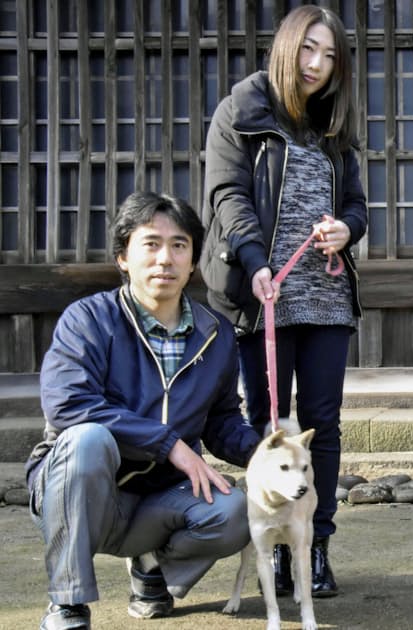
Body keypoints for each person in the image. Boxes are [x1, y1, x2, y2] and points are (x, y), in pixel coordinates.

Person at [27, 192, 262, 630]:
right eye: (151, 244)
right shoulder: (87, 319)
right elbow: (68, 405)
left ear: (192, 262)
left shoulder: (216, 333)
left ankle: (152, 568)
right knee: (87, 438)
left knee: (234, 510)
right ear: (123, 256)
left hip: (158, 498)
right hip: (81, 491)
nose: (165, 259)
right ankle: (67, 603)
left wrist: (263, 452)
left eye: (179, 245)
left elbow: (222, 420)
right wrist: (168, 443)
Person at [200, 4, 367, 599]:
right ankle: (269, 544)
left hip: (325, 296)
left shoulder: (333, 125)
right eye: (308, 50)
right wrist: (255, 262)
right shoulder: (242, 111)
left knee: (322, 424)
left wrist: (347, 229)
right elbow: (228, 195)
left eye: (330, 56)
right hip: (261, 293)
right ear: (286, 48)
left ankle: (316, 544)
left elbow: (356, 204)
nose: (317, 65)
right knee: (267, 425)